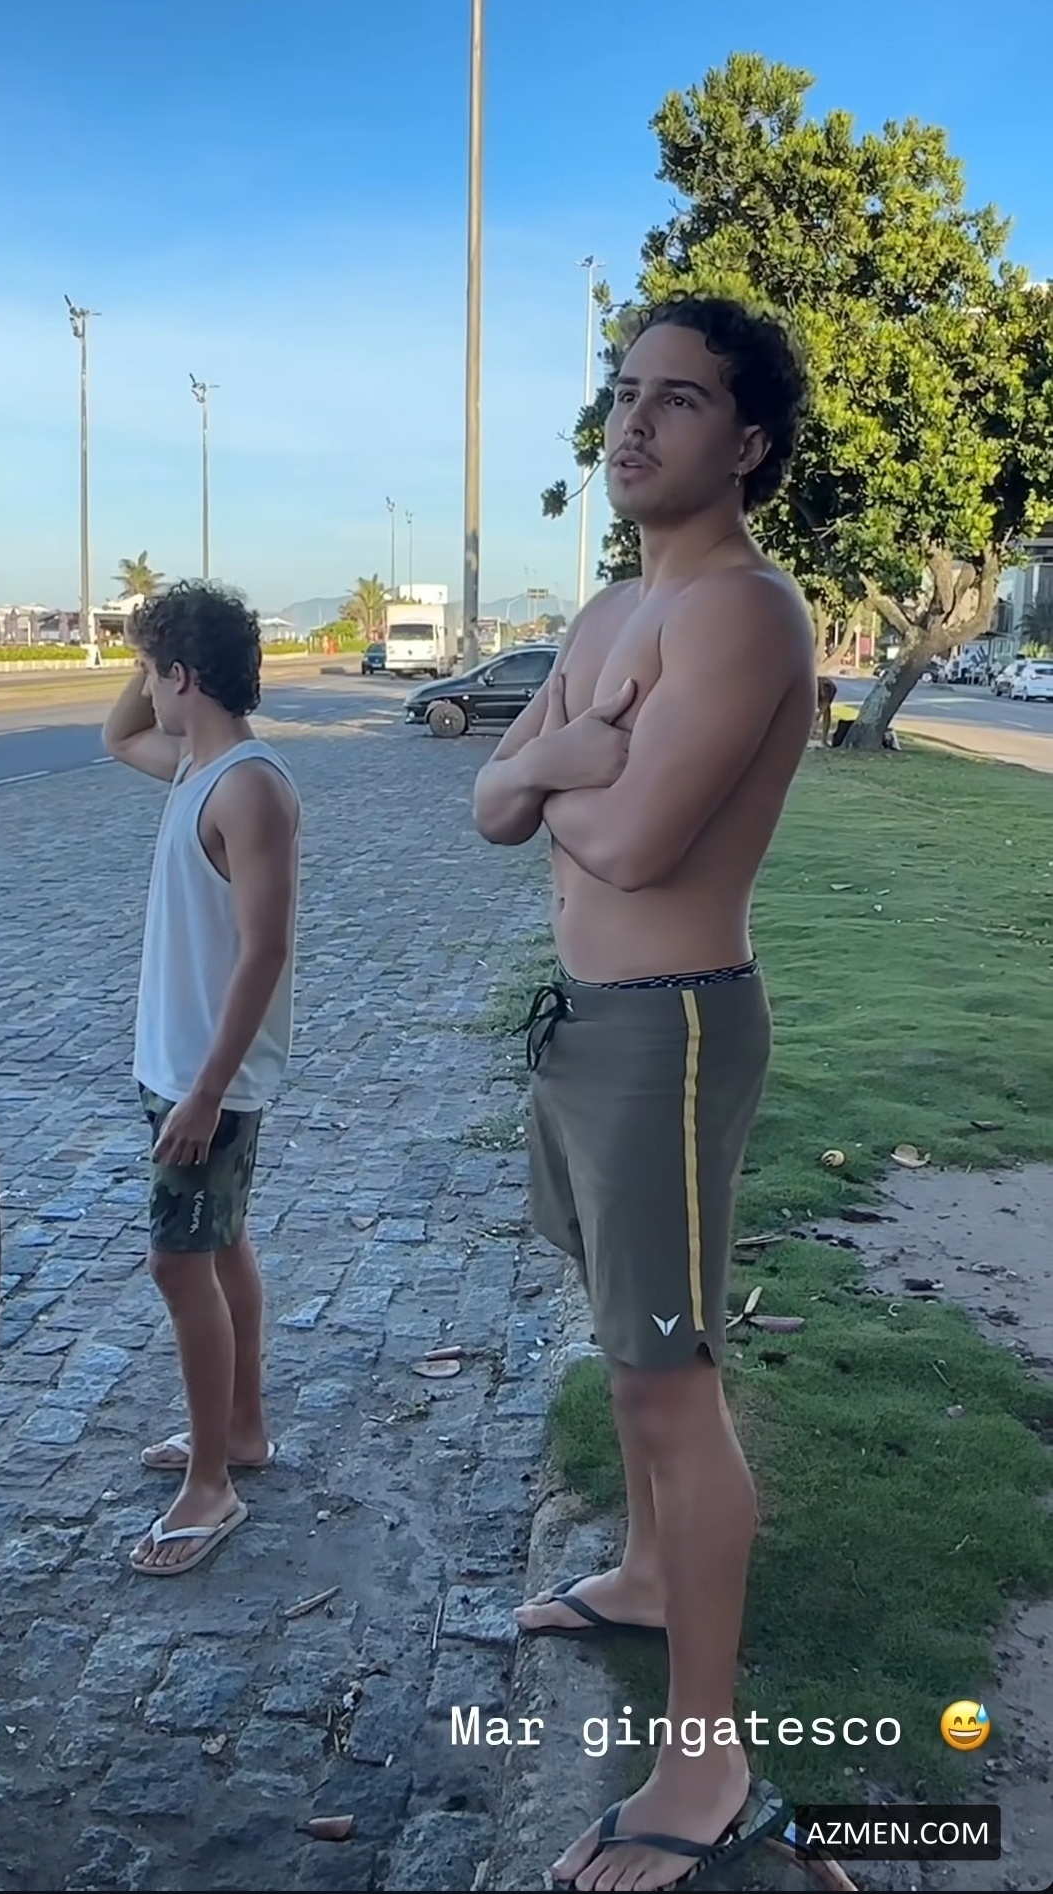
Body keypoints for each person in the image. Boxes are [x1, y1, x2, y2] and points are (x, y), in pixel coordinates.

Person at [473, 296, 814, 1892]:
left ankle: (705, 1761)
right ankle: (645, 1571)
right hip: (591, 1024)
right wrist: (559, 759)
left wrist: (551, 770)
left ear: (744, 443)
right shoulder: (612, 611)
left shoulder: (742, 613)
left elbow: (630, 843)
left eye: (675, 399)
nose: (630, 422)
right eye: (622, 391)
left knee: (672, 1380)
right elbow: (494, 805)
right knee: (630, 1347)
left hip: (669, 1033)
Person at [103, 582, 300, 1577]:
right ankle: (242, 1430)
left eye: (152, 673)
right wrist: (151, 640)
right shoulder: (194, 766)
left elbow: (265, 950)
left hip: (204, 1079)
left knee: (179, 1264)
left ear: (184, 678)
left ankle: (211, 1483)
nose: (143, 689)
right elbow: (116, 736)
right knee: (218, 1247)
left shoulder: (246, 787)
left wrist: (208, 1091)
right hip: (177, 1066)